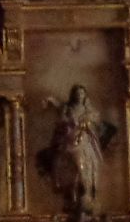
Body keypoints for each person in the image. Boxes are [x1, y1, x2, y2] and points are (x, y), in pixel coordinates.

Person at [36, 85, 115, 215]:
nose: (79, 95)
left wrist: (86, 124)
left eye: (82, 93)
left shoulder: (90, 111)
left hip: (84, 142)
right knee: (70, 165)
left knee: (86, 166)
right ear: (74, 95)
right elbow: (60, 114)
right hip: (70, 140)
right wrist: (68, 122)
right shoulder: (68, 108)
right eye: (77, 93)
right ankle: (74, 194)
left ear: (85, 96)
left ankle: (87, 194)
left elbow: (96, 121)